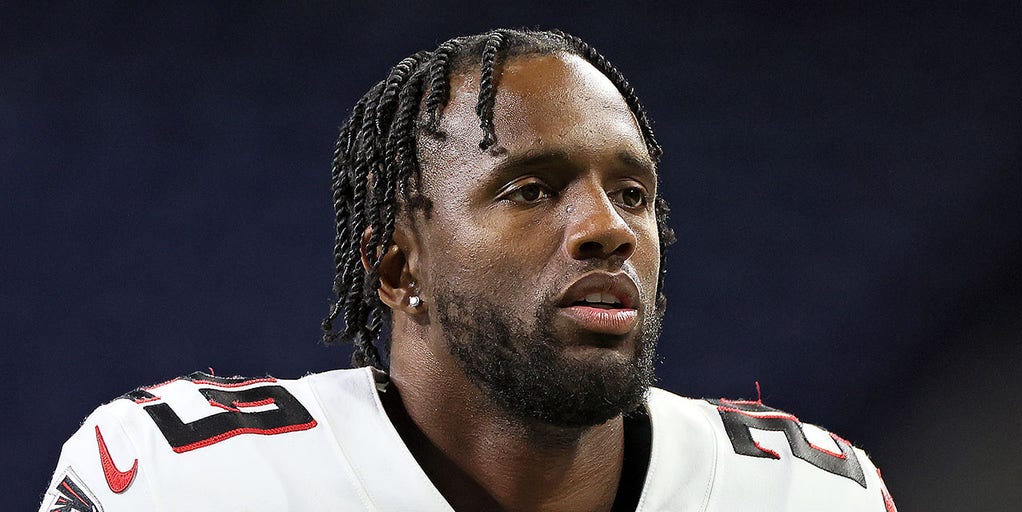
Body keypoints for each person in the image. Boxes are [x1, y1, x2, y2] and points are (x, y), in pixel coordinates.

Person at [39, 28, 896, 511]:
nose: (607, 228)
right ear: (395, 265)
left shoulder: (804, 494)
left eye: (632, 193)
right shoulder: (190, 483)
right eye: (530, 190)